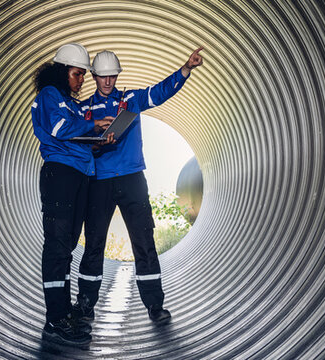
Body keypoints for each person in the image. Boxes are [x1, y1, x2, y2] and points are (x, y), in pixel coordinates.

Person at [72, 47, 204, 325]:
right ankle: (85, 305)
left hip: (132, 179)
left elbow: (159, 92)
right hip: (99, 181)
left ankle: (155, 305)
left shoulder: (130, 99)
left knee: (144, 242)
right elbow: (73, 144)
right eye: (103, 77)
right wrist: (95, 143)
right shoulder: (84, 110)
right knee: (94, 244)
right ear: (94, 77)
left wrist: (185, 69)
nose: (108, 82)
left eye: (113, 76)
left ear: (118, 76)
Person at [30, 43, 115, 348]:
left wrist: (100, 138)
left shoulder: (73, 105)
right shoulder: (51, 96)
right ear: (62, 71)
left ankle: (64, 311)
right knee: (57, 246)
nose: (81, 81)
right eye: (78, 74)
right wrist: (93, 124)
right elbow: (59, 126)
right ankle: (55, 319)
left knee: (66, 246)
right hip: (61, 175)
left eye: (82, 75)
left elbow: (78, 137)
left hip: (80, 174)